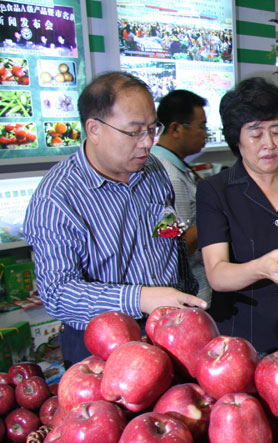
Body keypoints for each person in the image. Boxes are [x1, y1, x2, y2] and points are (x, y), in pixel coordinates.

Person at [24, 71, 205, 365]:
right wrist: (141, 299)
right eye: (134, 132)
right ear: (94, 129)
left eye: (152, 129)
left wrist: (184, 293)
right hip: (100, 348)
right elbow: (58, 293)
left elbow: (169, 237)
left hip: (170, 331)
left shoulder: (154, 172)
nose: (147, 142)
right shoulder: (57, 199)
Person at [196, 77, 278, 360]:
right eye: (256, 134)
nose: (269, 144)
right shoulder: (215, 191)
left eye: (277, 131)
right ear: (237, 138)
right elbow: (217, 274)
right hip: (244, 341)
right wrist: (264, 268)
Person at [152, 89, 212, 305]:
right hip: (188, 295)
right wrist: (217, 216)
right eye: (201, 127)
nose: (205, 134)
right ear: (175, 128)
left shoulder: (174, 167)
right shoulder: (168, 176)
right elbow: (178, 245)